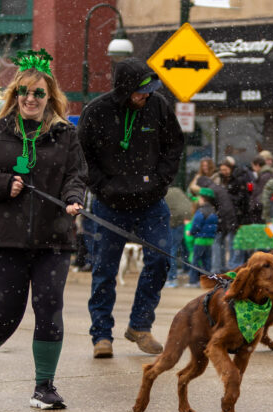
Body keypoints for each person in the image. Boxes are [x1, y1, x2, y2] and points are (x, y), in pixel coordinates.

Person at [0, 49, 87, 409]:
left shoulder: (66, 135)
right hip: (7, 237)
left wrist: (73, 198)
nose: (30, 99)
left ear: (51, 98)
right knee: (7, 312)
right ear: (14, 95)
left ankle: (44, 386)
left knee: (49, 308)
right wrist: (3, 185)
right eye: (24, 92)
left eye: (38, 93)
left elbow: (76, 176)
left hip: (54, 237)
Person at [78, 57, 184, 359]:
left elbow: (174, 145)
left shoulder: (158, 106)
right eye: (140, 92)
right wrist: (102, 186)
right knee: (104, 270)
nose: (146, 95)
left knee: (161, 261)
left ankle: (140, 325)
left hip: (151, 202)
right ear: (124, 89)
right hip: (110, 204)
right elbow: (83, 156)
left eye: (149, 91)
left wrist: (161, 181)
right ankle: (101, 334)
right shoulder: (96, 112)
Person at [186, 188, 218, 286]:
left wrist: (190, 232)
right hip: (210, 240)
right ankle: (206, 282)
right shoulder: (213, 211)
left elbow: (196, 226)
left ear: (203, 199)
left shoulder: (200, 212)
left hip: (200, 240)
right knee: (207, 262)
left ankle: (192, 281)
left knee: (195, 260)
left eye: (200, 198)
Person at [164, 185, 192, 287]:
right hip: (188, 216)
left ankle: (172, 278)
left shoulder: (162, 193)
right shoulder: (177, 189)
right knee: (185, 246)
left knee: (172, 249)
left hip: (176, 220)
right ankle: (187, 270)